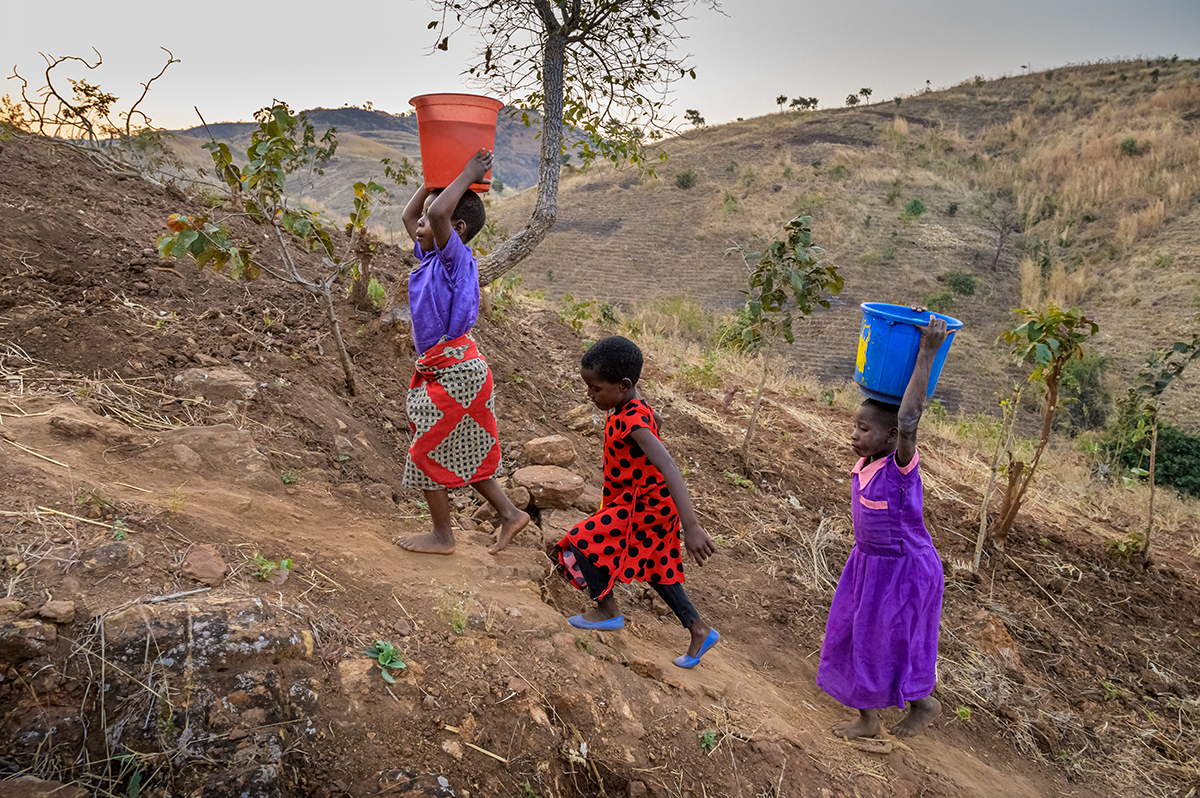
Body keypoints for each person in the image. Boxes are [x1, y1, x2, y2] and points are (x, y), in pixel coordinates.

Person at [816, 316, 949, 739]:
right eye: (854, 426)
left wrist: (926, 351)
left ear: (893, 436)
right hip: (869, 566)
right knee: (855, 633)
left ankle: (910, 705)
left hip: (906, 571)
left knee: (889, 641)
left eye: (864, 429)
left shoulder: (900, 467)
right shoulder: (867, 463)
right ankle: (877, 714)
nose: (854, 435)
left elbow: (910, 418)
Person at [553, 336, 720, 668]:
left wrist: (692, 526)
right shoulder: (632, 407)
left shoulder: (633, 421)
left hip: (643, 507)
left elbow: (668, 465)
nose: (590, 394)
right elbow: (651, 432)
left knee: (582, 542)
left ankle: (606, 610)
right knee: (657, 569)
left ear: (623, 384)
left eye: (596, 388)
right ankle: (699, 629)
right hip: (646, 504)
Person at [397, 148, 529, 556]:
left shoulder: (457, 261)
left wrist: (470, 171)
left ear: (456, 227)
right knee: (464, 447)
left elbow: (434, 217)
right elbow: (410, 216)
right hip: (449, 370)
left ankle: (443, 536)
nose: (419, 223)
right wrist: (434, 178)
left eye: (431, 218)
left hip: (457, 373)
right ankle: (510, 514)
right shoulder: (432, 257)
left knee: (425, 449)